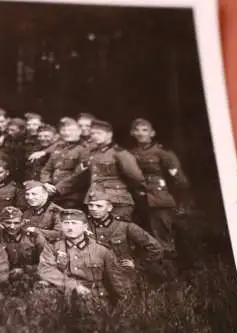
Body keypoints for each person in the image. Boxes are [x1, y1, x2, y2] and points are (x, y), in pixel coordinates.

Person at [37, 208, 132, 310]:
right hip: (64, 297)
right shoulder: (53, 247)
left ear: (84, 227)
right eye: (66, 223)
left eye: (74, 223)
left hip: (95, 299)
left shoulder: (101, 250)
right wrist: (74, 286)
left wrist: (125, 304)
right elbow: (46, 269)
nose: (70, 227)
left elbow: (116, 281)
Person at [129, 118, 191, 259]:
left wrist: (175, 200)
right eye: (137, 130)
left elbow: (180, 181)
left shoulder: (163, 153)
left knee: (162, 236)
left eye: (145, 130)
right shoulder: (130, 154)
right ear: (132, 133)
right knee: (143, 236)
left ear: (152, 133)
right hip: (138, 199)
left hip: (159, 199)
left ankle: (171, 273)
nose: (141, 133)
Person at [85, 191, 166, 282]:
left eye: (99, 206)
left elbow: (155, 248)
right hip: (91, 273)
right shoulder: (83, 224)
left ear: (109, 208)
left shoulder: (124, 225)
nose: (93, 209)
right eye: (90, 205)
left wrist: (138, 264)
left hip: (121, 274)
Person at [40, 118, 91, 209]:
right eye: (64, 130)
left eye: (71, 130)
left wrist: (58, 188)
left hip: (72, 196)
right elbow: (47, 169)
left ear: (79, 132)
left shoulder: (85, 149)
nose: (67, 133)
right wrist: (46, 183)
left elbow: (80, 175)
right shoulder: (59, 147)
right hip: (52, 192)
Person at [0, 206, 46, 294]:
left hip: (32, 278)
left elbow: (46, 262)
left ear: (22, 222)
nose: (12, 227)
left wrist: (25, 270)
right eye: (8, 222)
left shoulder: (34, 237)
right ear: (1, 222)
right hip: (4, 280)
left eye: (16, 223)